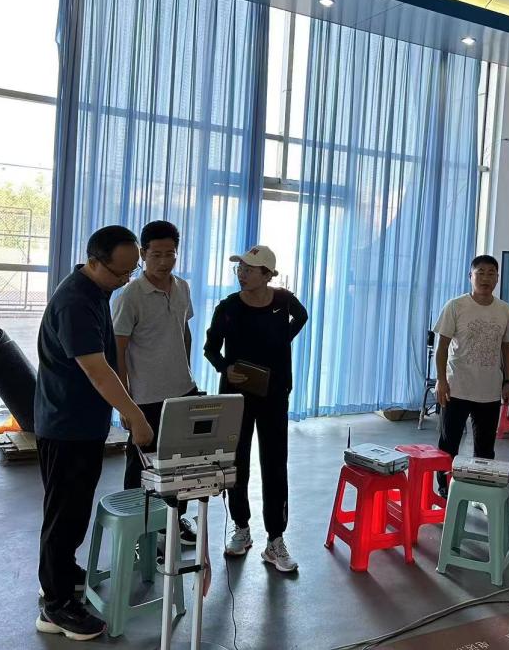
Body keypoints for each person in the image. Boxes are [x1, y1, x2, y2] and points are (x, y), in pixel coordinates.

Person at [34, 225, 154, 641]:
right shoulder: (75, 302)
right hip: (66, 425)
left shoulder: (97, 292)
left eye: (130, 270)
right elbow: (97, 371)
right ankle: (55, 606)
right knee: (63, 514)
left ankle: (63, 573)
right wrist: (134, 414)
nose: (125, 280)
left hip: (82, 423)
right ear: (94, 261)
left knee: (74, 509)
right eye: (119, 272)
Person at [203, 245, 308, 573]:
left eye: (249, 269)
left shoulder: (284, 301)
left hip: (274, 394)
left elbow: (302, 316)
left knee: (275, 463)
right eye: (240, 268)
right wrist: (225, 368)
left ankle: (275, 539)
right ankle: (241, 527)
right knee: (237, 462)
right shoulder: (228, 307)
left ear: (267, 275)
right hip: (237, 395)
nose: (242, 274)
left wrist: (283, 339)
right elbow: (210, 348)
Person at [112, 220, 198, 547]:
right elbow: (118, 350)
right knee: (142, 466)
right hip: (145, 397)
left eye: (170, 254)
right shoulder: (130, 295)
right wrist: (125, 402)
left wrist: (186, 370)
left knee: (182, 463)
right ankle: (138, 530)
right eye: (156, 254)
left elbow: (184, 331)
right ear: (143, 254)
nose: (164, 261)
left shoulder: (182, 287)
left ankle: (173, 520)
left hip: (183, 390)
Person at [434, 255, 509, 494]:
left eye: (491, 273)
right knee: (449, 443)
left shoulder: (504, 310)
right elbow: (442, 346)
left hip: (489, 391)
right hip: (456, 388)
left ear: (497, 278)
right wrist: (441, 380)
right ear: (470, 276)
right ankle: (445, 489)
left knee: (485, 448)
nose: (485, 278)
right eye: (480, 272)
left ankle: (482, 491)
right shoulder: (455, 306)